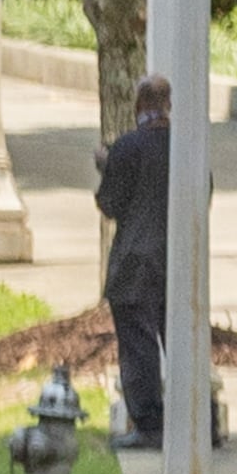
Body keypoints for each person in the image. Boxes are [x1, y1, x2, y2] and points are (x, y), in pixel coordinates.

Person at [99, 74, 175, 449]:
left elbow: (110, 204)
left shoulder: (127, 148)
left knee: (138, 347)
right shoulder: (185, 148)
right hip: (174, 258)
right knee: (178, 339)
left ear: (137, 106)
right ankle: (189, 417)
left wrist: (106, 164)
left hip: (134, 261)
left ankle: (148, 424)